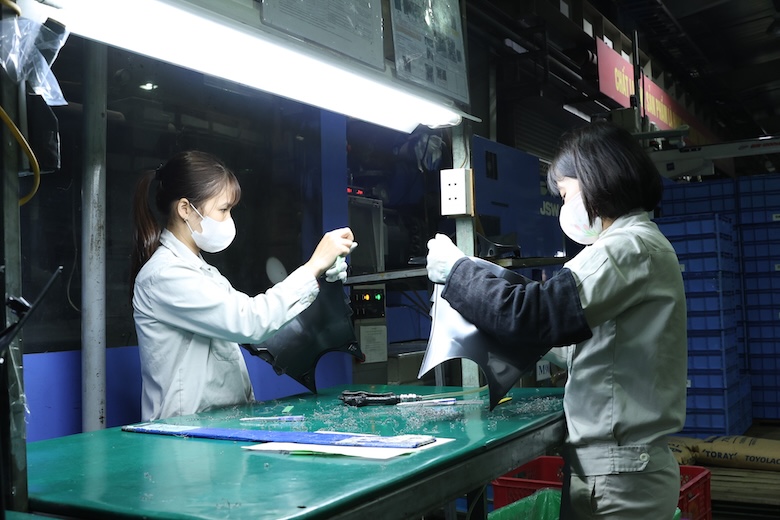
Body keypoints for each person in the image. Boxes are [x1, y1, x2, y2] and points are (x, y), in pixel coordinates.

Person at [426, 121, 686, 519]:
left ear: (596, 180)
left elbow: (532, 316)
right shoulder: (637, 244)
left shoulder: (626, 247)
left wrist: (458, 271)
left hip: (620, 475)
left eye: (566, 194)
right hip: (618, 468)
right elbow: (579, 339)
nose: (564, 208)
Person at [130, 150, 356, 421]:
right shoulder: (165, 275)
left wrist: (318, 276)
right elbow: (250, 321)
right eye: (223, 210)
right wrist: (313, 266)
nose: (229, 220)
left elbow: (258, 328)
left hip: (214, 428)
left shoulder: (204, 273)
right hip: (183, 438)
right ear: (185, 209)